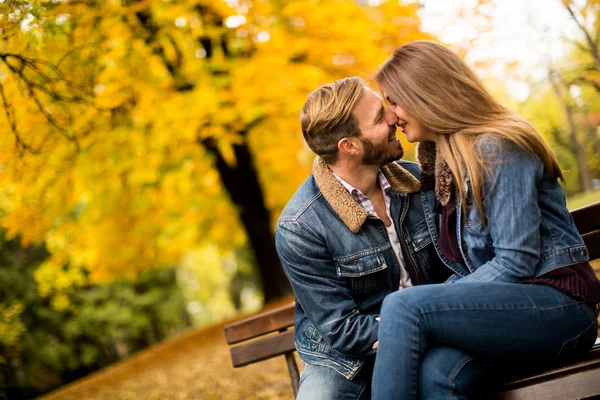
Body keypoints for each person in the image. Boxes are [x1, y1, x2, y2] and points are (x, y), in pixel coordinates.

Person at [371, 40, 600, 400]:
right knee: (435, 376)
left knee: (401, 305)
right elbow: (470, 269)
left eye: (394, 101)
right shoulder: (442, 164)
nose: (391, 116)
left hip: (559, 308)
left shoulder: (497, 146)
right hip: (507, 316)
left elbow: (515, 260)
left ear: (425, 94)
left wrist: (422, 307)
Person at [275, 77, 451, 400]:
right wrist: (412, 326)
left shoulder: (419, 180)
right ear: (350, 146)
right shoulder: (300, 226)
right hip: (346, 360)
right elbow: (341, 328)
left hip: (436, 328)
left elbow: (455, 265)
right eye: (379, 116)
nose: (394, 118)